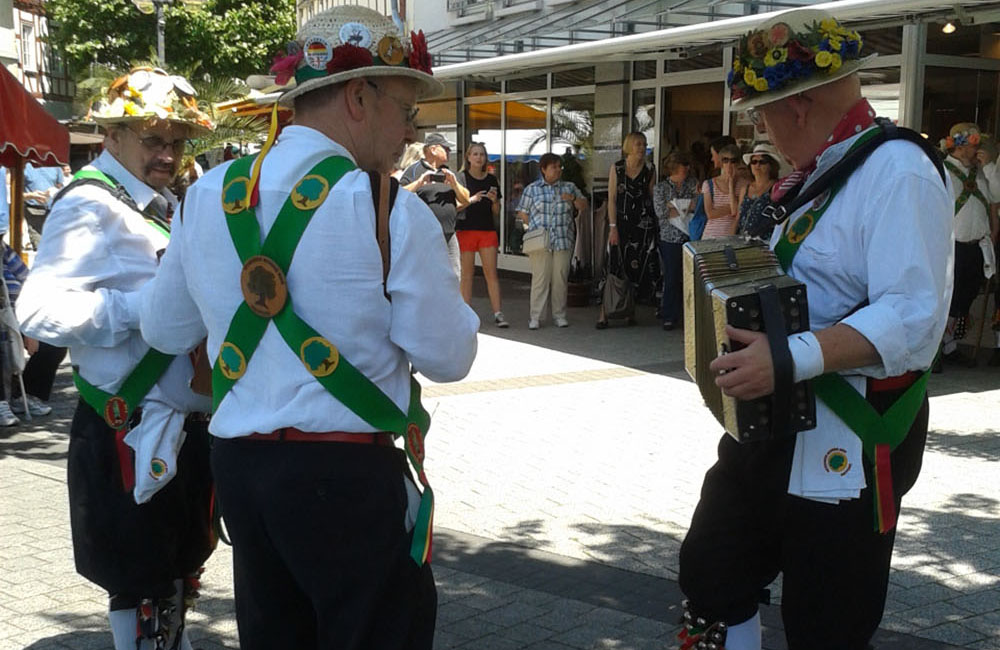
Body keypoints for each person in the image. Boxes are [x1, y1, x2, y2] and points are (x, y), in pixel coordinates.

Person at [139, 7, 479, 648]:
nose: (410, 131)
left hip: (242, 473)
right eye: (405, 109)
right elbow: (449, 357)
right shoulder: (389, 209)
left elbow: (163, 331)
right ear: (359, 96)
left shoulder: (205, 196)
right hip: (347, 479)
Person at [677, 9, 952, 650]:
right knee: (713, 570)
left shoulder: (898, 171)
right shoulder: (825, 171)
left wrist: (787, 356)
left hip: (849, 438)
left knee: (827, 622)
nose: (760, 131)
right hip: (774, 421)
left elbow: (913, 316)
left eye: (760, 115)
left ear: (797, 106)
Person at [17, 67, 217, 650]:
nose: (168, 153)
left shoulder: (160, 202)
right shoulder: (89, 205)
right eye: (153, 139)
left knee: (175, 573)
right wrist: (140, 309)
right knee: (138, 581)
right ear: (112, 135)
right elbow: (38, 311)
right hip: (125, 430)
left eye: (177, 140)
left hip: (174, 429)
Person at [939, 123, 1000, 367]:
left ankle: (949, 345)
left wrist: (990, 168)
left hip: (977, 247)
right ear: (961, 146)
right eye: (975, 144)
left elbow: (996, 198)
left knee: (966, 297)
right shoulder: (941, 171)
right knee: (948, 298)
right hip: (950, 247)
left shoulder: (982, 173)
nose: (977, 150)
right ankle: (938, 349)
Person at [518, 152, 588, 329]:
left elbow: (584, 206)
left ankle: (559, 315)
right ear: (543, 169)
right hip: (540, 242)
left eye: (559, 166)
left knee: (560, 279)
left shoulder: (569, 187)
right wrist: (534, 227)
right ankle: (536, 317)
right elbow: (522, 212)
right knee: (540, 279)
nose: (558, 170)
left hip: (563, 239)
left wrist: (573, 199)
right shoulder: (532, 189)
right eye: (553, 167)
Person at [597, 132, 657, 328]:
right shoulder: (618, 168)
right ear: (629, 146)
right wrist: (612, 227)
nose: (642, 148)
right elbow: (612, 199)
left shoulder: (650, 169)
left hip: (642, 224)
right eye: (638, 144)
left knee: (636, 266)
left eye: (644, 144)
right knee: (613, 265)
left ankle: (629, 311)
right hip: (621, 224)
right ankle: (604, 313)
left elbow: (652, 197)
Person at [400, 132, 471, 277]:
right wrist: (419, 182)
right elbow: (398, 195)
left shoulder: (448, 172)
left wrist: (454, 184)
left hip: (449, 234)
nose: (449, 151)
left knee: (454, 276)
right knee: (427, 277)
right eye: (445, 148)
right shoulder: (414, 170)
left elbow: (466, 199)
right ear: (433, 149)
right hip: (423, 236)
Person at [457, 142, 508, 327]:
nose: (479, 158)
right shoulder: (461, 178)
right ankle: (465, 314)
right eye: (475, 154)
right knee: (467, 274)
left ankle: (498, 313)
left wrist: (494, 201)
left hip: (487, 230)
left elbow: (496, 211)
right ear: (468, 157)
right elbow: (455, 206)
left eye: (482, 154)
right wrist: (471, 200)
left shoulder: (491, 180)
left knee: (491, 273)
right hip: (466, 229)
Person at [652, 151, 698, 331]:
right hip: (669, 237)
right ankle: (669, 315)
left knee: (690, 277)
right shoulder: (661, 188)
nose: (687, 168)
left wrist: (675, 205)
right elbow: (661, 212)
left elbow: (698, 205)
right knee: (671, 276)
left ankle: (690, 316)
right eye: (683, 165)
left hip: (691, 236)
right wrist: (685, 206)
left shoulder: (693, 183)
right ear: (674, 167)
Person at [735, 143, 781, 240]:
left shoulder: (777, 187)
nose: (757, 165)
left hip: (766, 240)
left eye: (762, 162)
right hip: (744, 239)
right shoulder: (745, 189)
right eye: (754, 162)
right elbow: (738, 217)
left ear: (771, 165)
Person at [701, 143, 746, 239]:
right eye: (725, 160)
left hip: (733, 236)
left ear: (738, 163)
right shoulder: (709, 184)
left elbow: (736, 213)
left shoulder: (744, 185)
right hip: (711, 236)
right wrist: (734, 206)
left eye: (733, 161)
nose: (729, 164)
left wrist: (731, 185)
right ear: (721, 162)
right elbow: (710, 214)